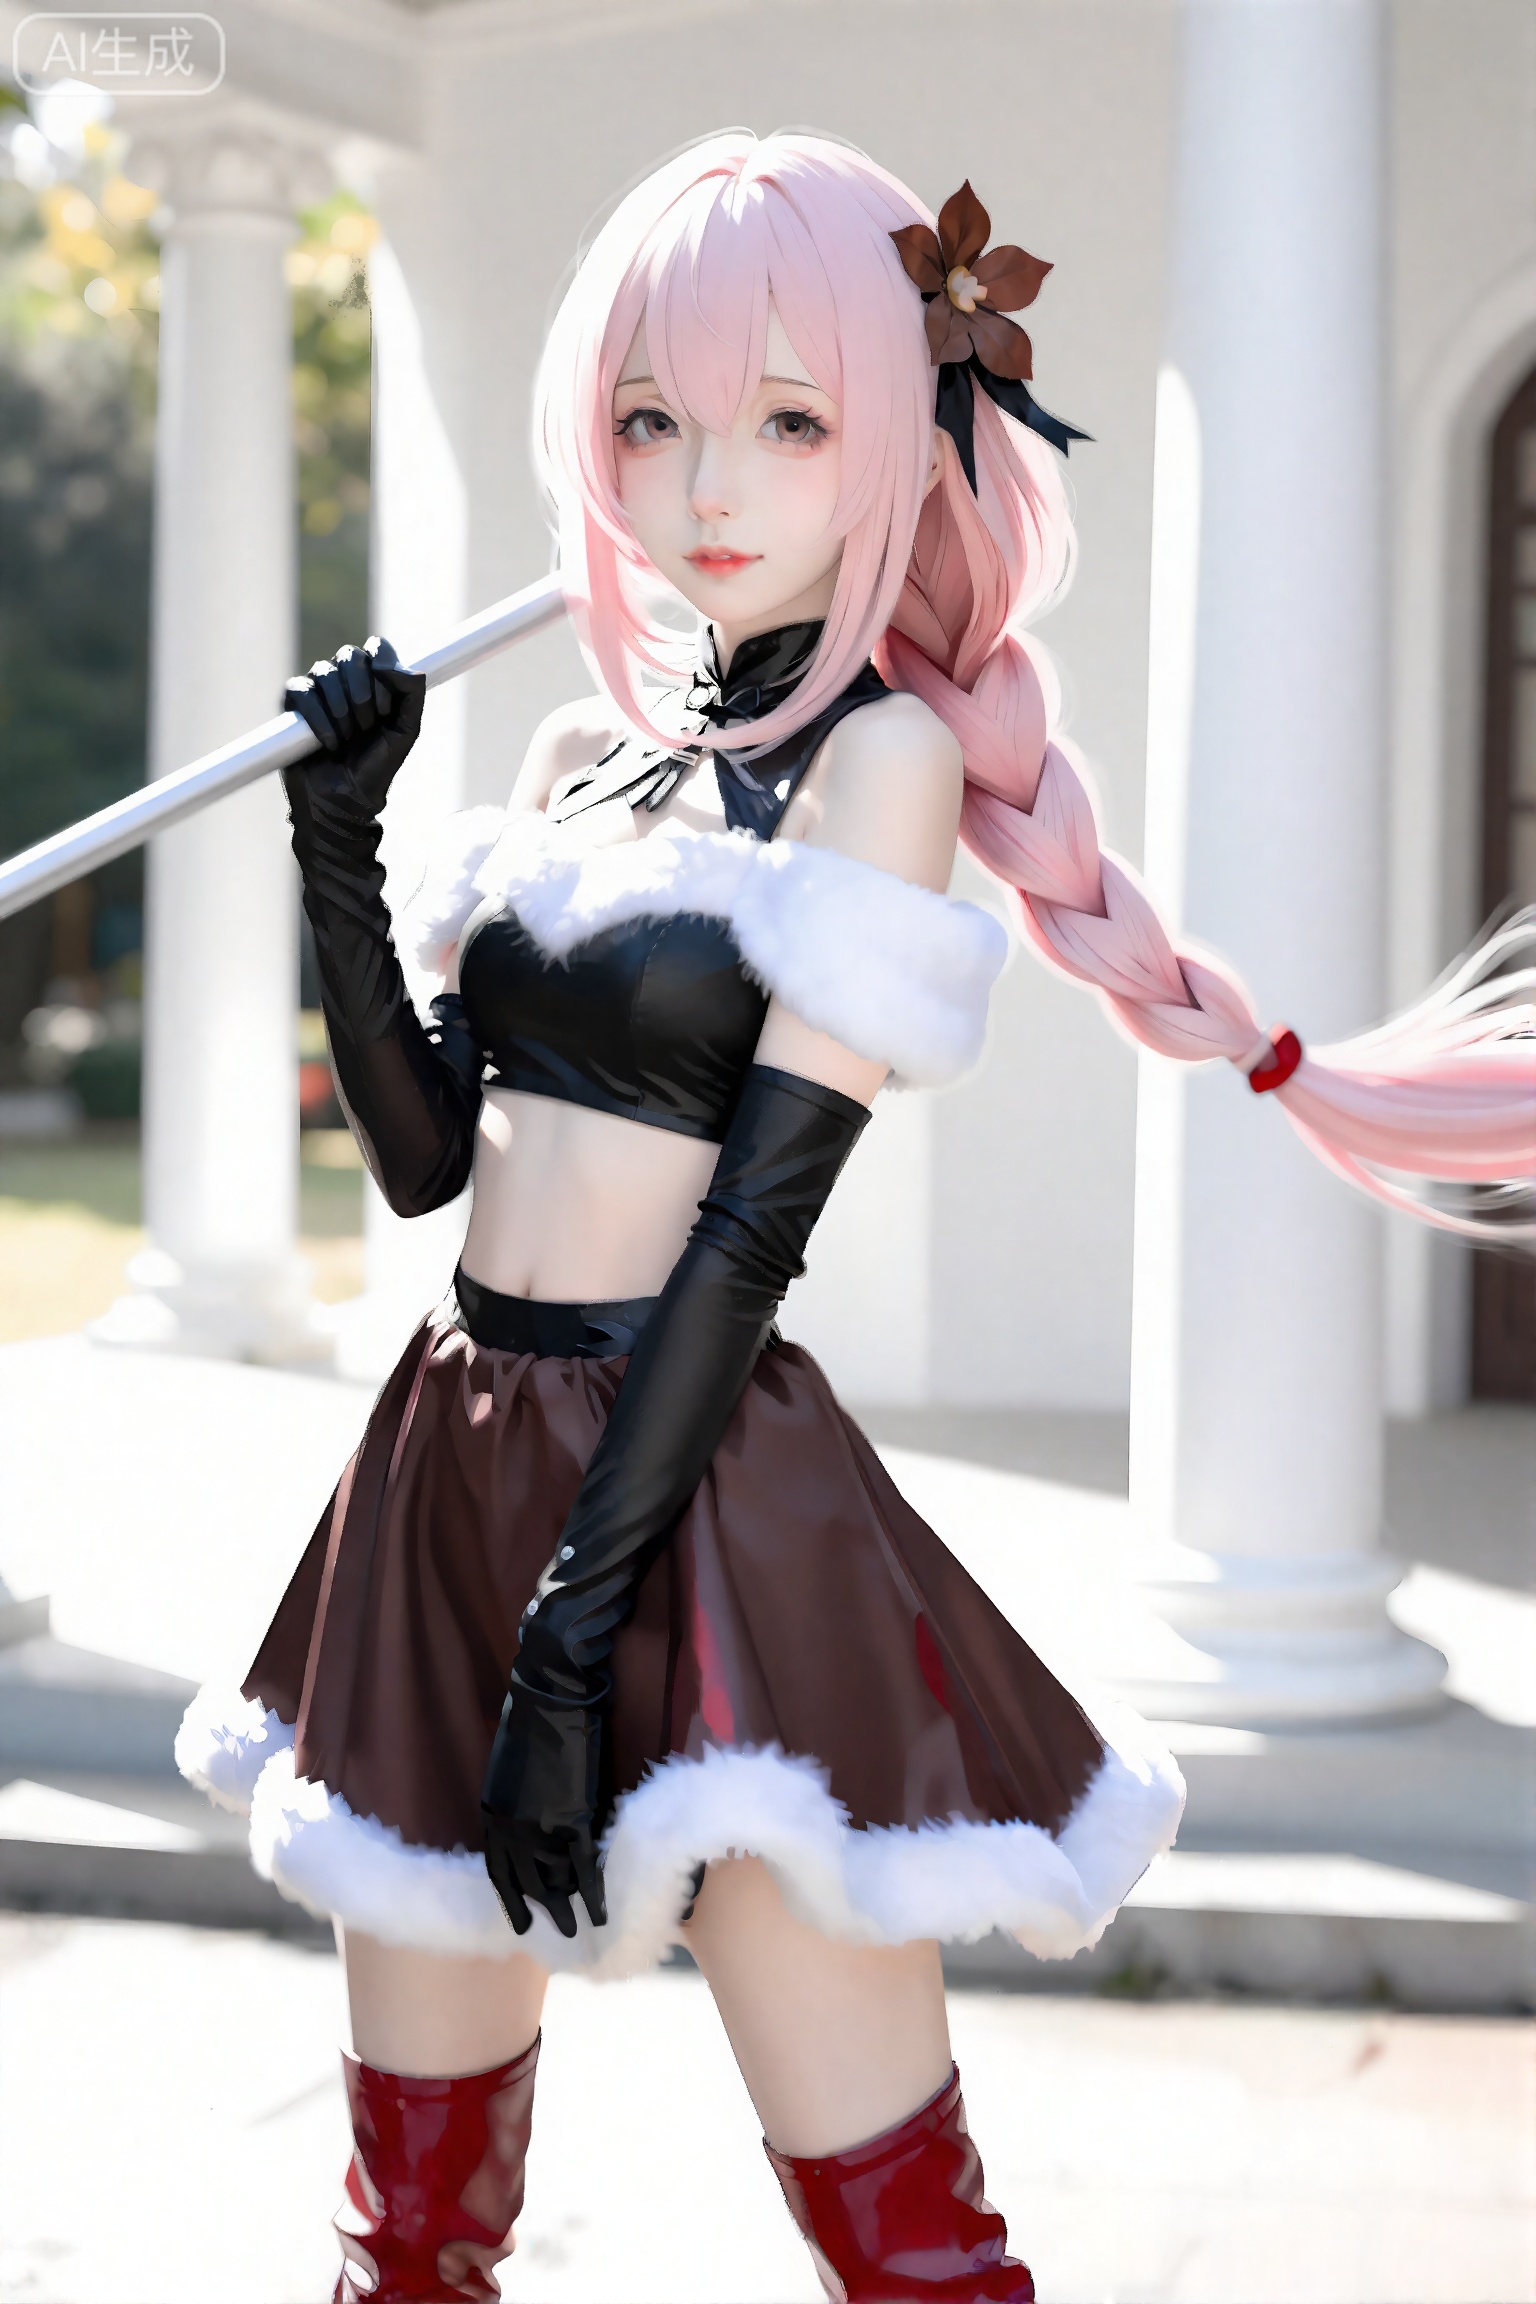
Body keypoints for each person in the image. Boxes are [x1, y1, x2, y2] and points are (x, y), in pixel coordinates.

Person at [176, 134, 1534, 2304]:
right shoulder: (563, 757)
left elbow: (744, 1243)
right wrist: (339, 848)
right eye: (655, 419)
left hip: (698, 1505)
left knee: (909, 2254)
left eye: (788, 422)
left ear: (895, 441)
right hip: (452, 1466)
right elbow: (436, 1165)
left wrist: (567, 1643)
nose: (710, 482)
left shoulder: (875, 766)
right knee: (407, 2238)